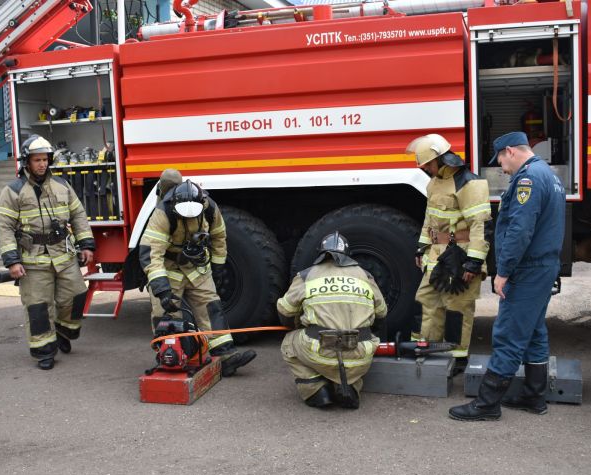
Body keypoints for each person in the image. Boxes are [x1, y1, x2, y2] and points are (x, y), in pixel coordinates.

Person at [449, 131, 566, 421]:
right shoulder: (548, 174)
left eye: (501, 159)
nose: (501, 167)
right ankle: (534, 395)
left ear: (511, 151)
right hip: (543, 265)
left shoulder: (527, 179)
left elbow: (519, 230)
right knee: (534, 329)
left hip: (528, 268)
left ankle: (487, 403)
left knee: (509, 333)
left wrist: (504, 271)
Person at [0, 135, 95, 370]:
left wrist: (87, 244)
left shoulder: (62, 185)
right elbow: (4, 227)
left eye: (45, 159)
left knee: (77, 294)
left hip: (64, 254)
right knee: (38, 307)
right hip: (32, 259)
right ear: (26, 162)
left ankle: (63, 330)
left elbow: (78, 215)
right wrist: (12, 261)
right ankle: (44, 351)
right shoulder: (13, 191)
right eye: (37, 160)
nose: (42, 164)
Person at [139, 175, 256, 377]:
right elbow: (151, 253)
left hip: (195, 265)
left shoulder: (209, 207)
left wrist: (218, 267)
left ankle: (225, 356)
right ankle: (171, 355)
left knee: (210, 306)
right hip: (168, 268)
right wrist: (162, 289)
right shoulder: (163, 213)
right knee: (166, 313)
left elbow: (219, 237)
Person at [405, 134, 492, 367]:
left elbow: (480, 226)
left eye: (428, 165)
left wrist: (473, 262)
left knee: (457, 309)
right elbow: (429, 220)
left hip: (460, 258)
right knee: (426, 303)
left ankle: (457, 360)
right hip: (436, 256)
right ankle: (426, 351)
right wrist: (422, 246)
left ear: (441, 159)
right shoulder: (434, 183)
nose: (426, 170)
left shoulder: (469, 183)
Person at [277, 232, 387, 409]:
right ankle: (350, 387)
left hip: (319, 351)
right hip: (359, 354)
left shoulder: (307, 275)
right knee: (354, 358)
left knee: (288, 344)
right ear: (348, 254)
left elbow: (285, 310)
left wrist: (298, 322)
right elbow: (382, 313)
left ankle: (316, 390)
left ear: (321, 253)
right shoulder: (365, 276)